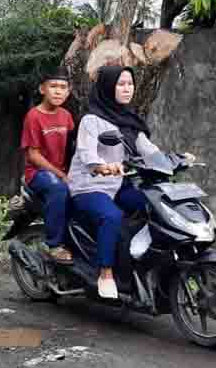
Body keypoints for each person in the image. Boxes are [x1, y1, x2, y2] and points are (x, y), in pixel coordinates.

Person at [67, 65, 163, 300]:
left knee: (155, 204)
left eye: (130, 83)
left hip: (118, 184)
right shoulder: (92, 120)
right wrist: (101, 166)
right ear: (108, 87)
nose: (127, 88)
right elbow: (86, 153)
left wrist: (173, 160)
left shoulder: (129, 120)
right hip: (90, 185)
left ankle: (140, 264)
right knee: (111, 216)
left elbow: (149, 150)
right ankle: (106, 273)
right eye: (121, 84)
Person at [19, 71, 76, 264]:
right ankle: (55, 245)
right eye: (53, 87)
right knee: (59, 189)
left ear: (68, 92)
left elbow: (72, 147)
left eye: (63, 88)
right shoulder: (33, 116)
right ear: (42, 89)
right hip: (38, 173)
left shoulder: (67, 116)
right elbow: (33, 155)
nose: (58, 92)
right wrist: (61, 174)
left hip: (63, 171)